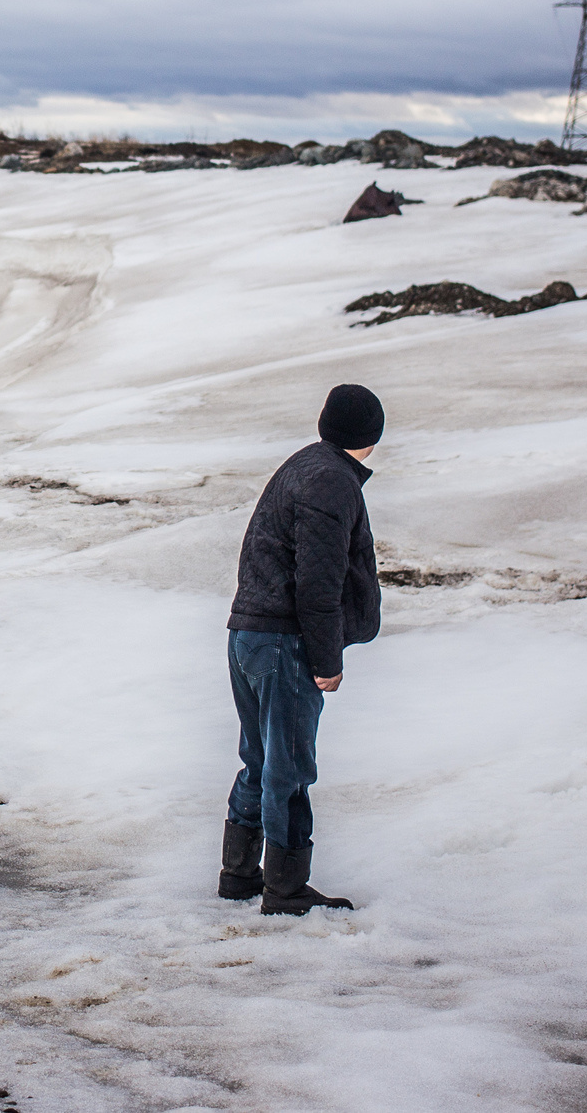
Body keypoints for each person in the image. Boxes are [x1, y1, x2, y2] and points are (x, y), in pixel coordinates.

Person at [219, 383, 383, 915]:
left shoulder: (305, 465)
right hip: (282, 643)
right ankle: (285, 890)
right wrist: (327, 660)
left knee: (261, 759)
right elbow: (318, 582)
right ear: (371, 437)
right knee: (287, 767)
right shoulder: (333, 482)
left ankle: (238, 875)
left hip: (248, 634)